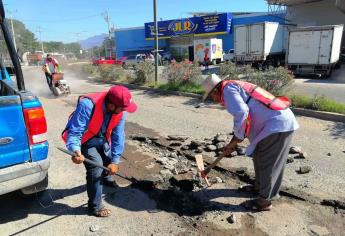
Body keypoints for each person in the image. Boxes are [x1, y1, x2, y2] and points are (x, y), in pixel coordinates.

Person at [202, 74, 299, 211]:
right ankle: (258, 187)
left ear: (216, 90)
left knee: (268, 164)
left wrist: (235, 140)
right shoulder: (232, 86)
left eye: (212, 96)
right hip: (270, 125)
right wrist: (235, 140)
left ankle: (264, 201)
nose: (213, 99)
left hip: (277, 125)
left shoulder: (228, 90)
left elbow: (242, 113)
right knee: (259, 156)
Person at [62, 85, 137, 217]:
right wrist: (75, 151)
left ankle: (107, 178)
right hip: (86, 141)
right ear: (112, 105)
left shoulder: (120, 110)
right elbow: (75, 131)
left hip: (102, 138)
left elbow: (118, 135)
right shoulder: (87, 105)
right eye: (122, 108)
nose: (124, 111)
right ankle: (95, 207)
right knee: (96, 168)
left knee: (108, 160)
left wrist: (115, 161)